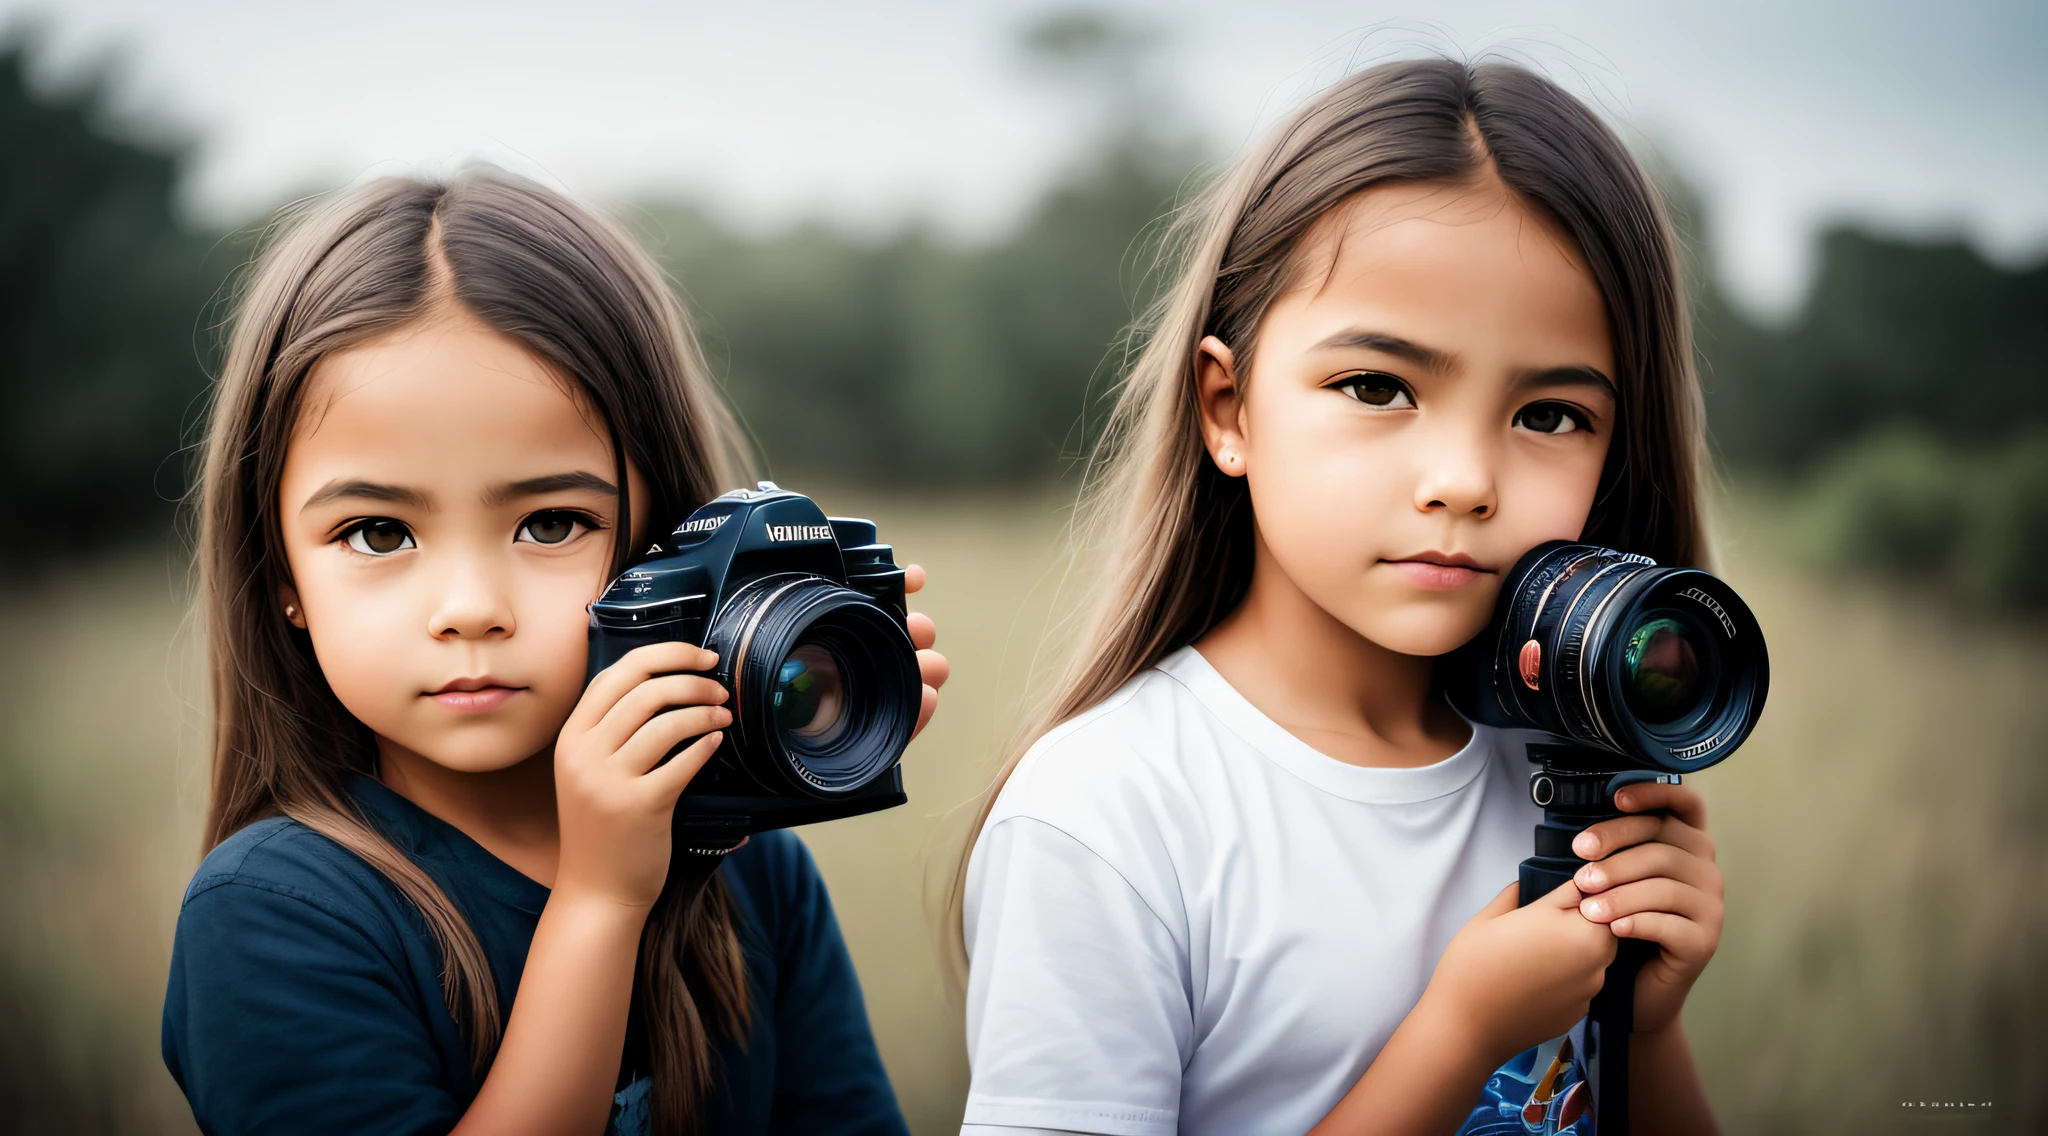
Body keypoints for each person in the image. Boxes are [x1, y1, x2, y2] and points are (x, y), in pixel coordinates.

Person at [954, 58, 1724, 1136]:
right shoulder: (1107, 812)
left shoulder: (1565, 769)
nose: (1462, 477)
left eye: (1548, 413)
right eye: (1377, 387)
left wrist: (1642, 1029)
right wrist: (1456, 1037)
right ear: (1226, 408)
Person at [161, 169, 950, 1136]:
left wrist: (823, 720)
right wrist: (601, 901)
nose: (470, 609)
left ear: (664, 539)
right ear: (280, 572)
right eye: (376, 532)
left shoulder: (752, 874)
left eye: (550, 523)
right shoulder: (274, 916)